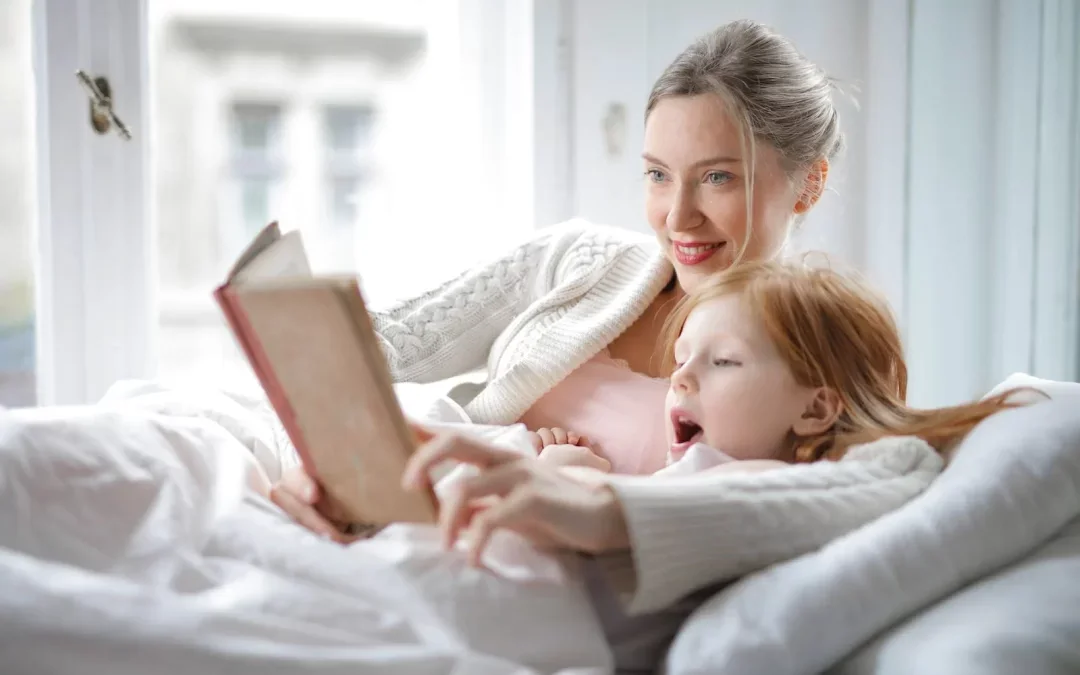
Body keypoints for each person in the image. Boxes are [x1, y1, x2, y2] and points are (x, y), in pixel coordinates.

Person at [273, 18, 845, 540]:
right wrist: (327, 467)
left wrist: (589, 494)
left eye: (717, 177)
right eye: (658, 175)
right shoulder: (579, 259)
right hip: (416, 521)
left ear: (810, 183)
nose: (677, 217)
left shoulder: (819, 361)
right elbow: (371, 354)